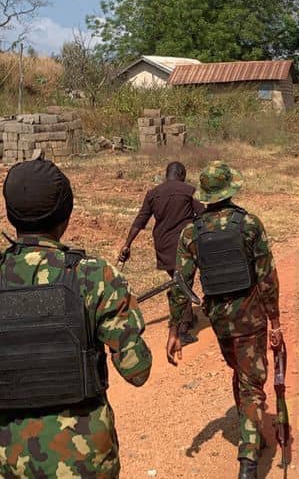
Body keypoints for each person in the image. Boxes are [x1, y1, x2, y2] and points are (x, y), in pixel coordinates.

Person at [0, 156, 152, 477]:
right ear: (65, 216)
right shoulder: (94, 276)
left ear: (12, 215)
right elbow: (137, 369)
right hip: (85, 461)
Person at [166, 161, 283, 479]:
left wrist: (176, 328)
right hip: (250, 317)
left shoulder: (192, 231)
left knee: (241, 373)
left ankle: (251, 434)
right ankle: (248, 461)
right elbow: (267, 278)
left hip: (218, 321)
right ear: (231, 189)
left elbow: (181, 283)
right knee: (251, 384)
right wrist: (275, 321)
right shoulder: (248, 224)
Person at [118, 160, 204, 344]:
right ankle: (181, 330)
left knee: (179, 279)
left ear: (167, 175)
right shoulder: (188, 190)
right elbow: (203, 214)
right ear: (181, 174)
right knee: (183, 282)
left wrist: (127, 245)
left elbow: (139, 221)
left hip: (163, 245)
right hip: (185, 244)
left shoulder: (153, 194)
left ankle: (187, 317)